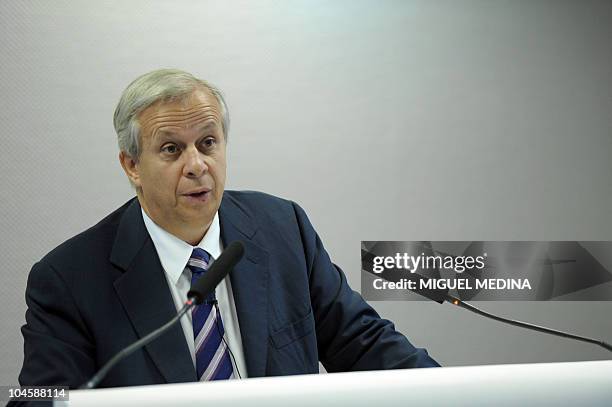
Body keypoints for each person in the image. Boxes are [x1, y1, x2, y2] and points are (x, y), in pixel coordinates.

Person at [17, 69, 439, 390]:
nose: (197, 165)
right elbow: (41, 396)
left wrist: (454, 393)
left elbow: (363, 343)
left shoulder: (282, 228)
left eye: (207, 143)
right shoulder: (68, 280)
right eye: (171, 149)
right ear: (132, 166)